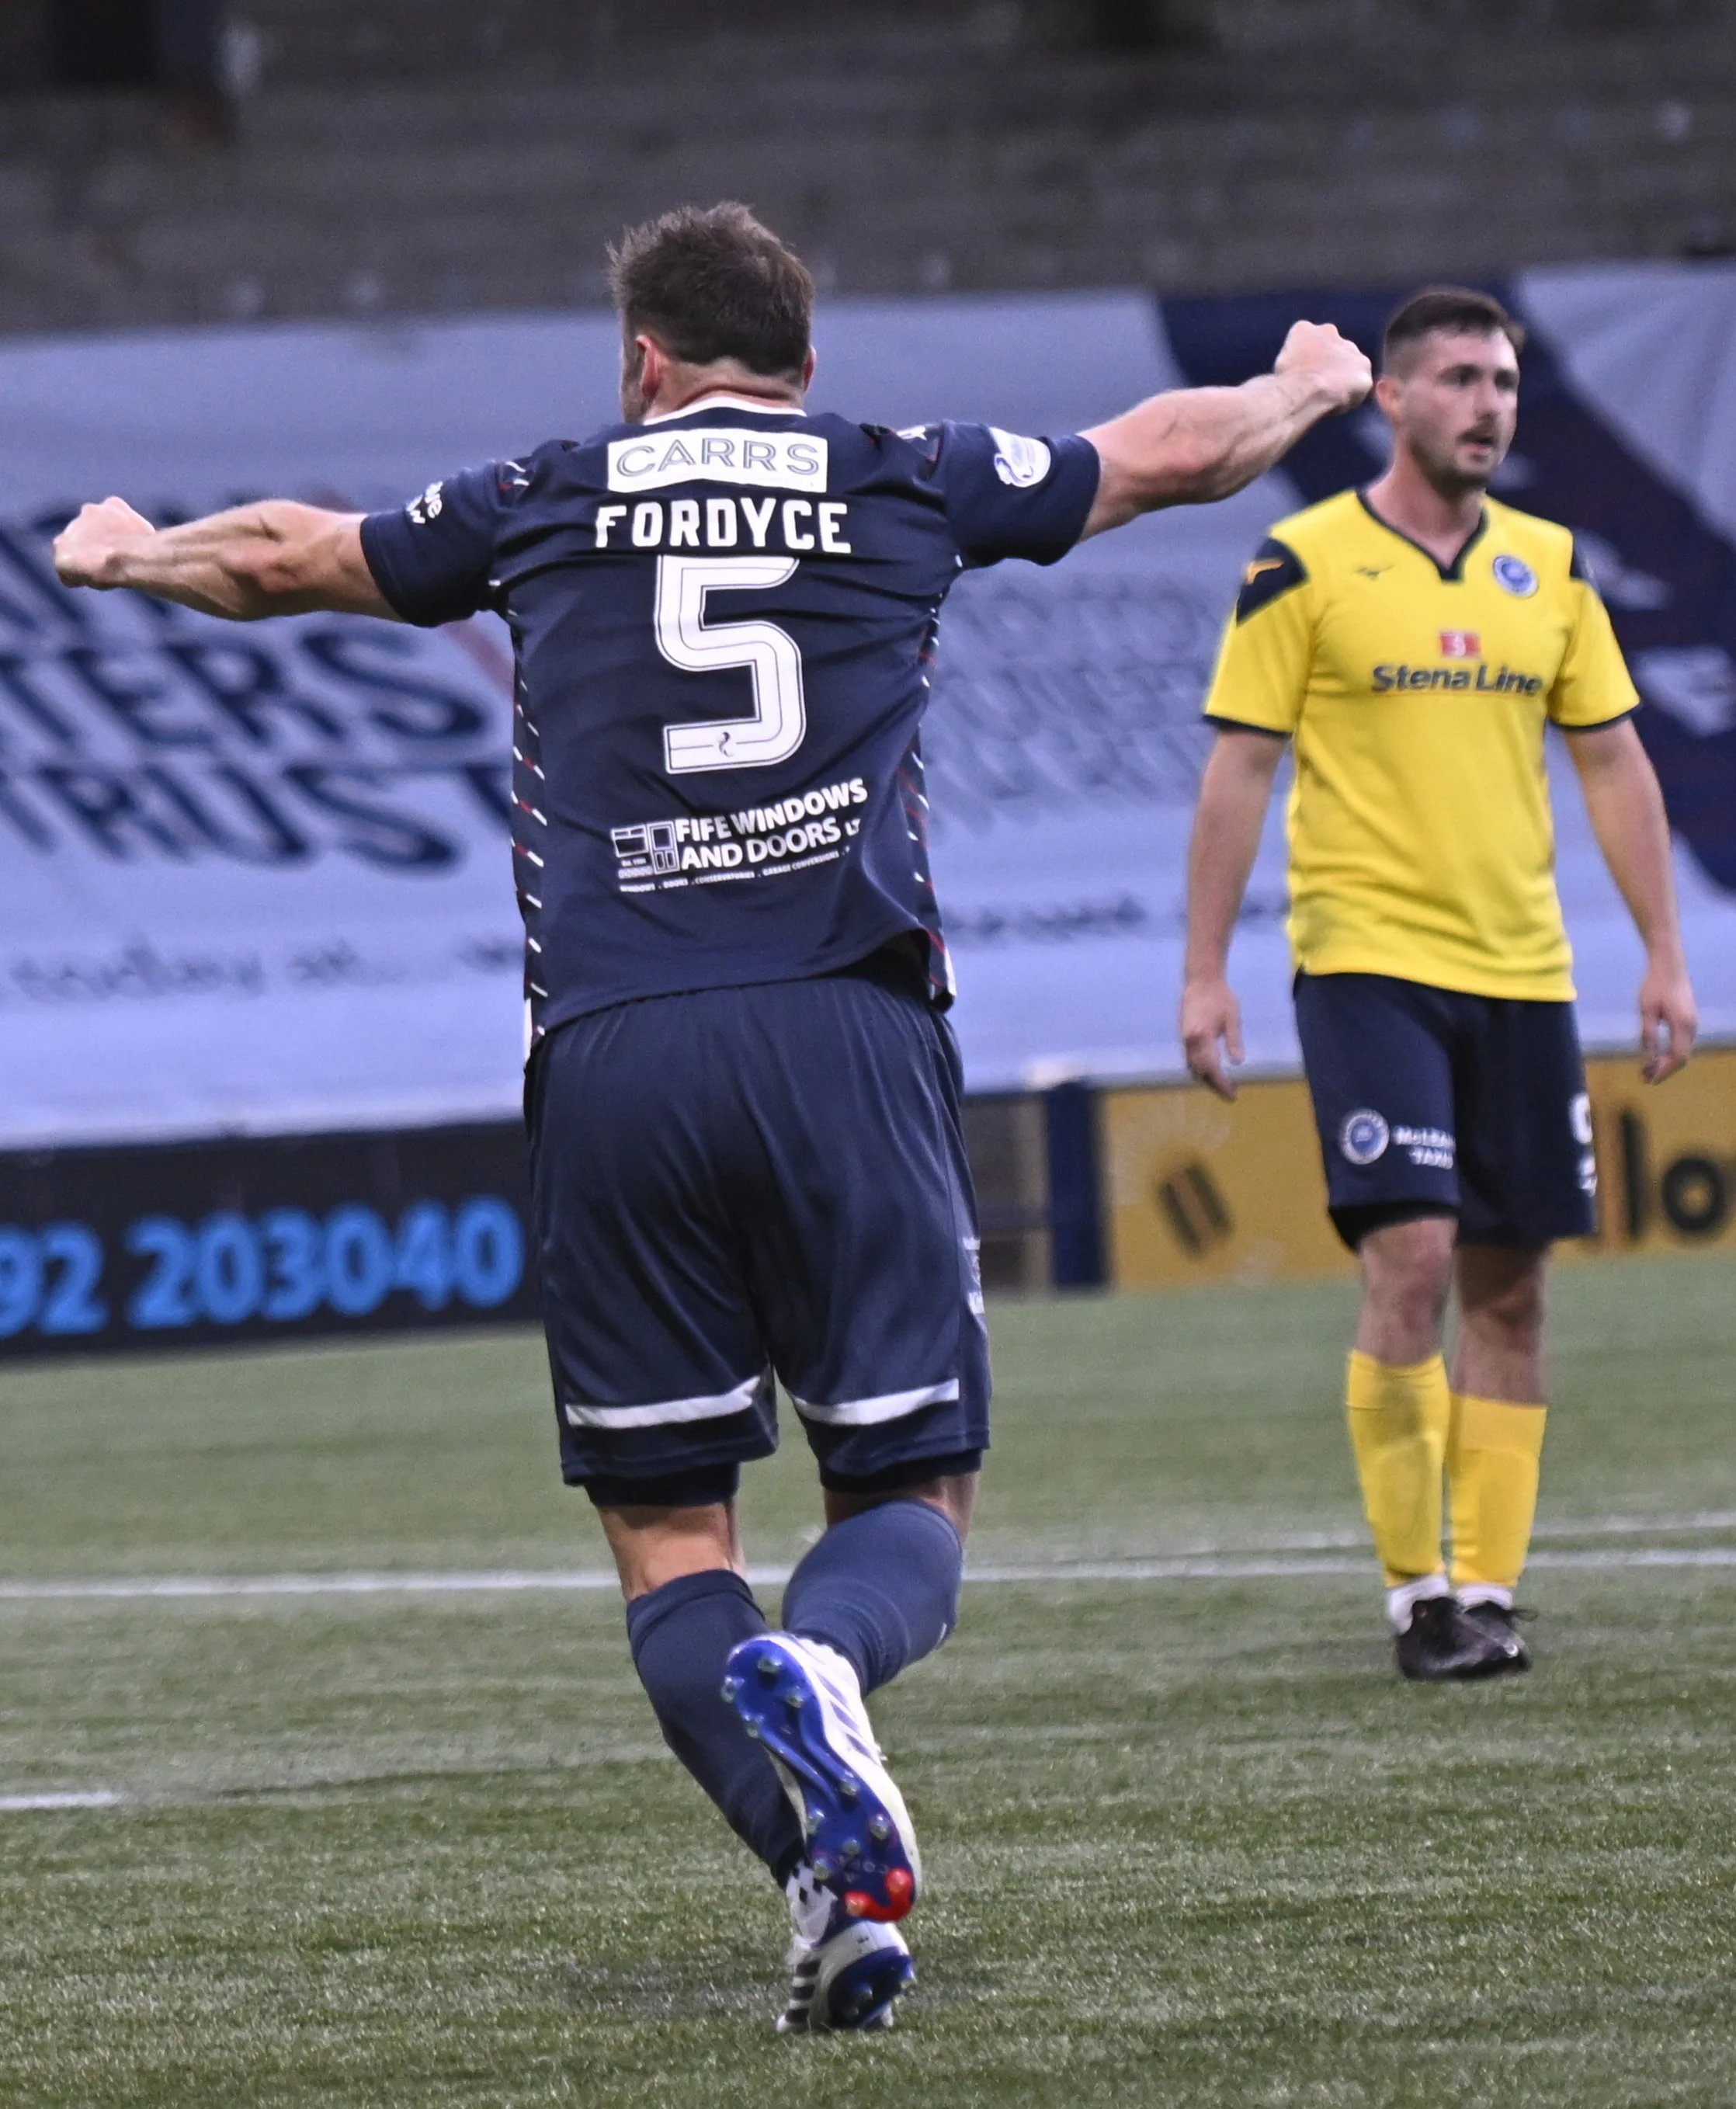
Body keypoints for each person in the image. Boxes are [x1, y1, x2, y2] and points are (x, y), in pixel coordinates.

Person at [53, 201, 1371, 2031]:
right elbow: (1161, 453)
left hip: (617, 1048)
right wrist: (1301, 385)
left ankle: (834, 1889)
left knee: (671, 1538)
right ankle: (826, 1663)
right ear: (803, 364)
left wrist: (133, 551)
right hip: (843, 1026)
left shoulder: (542, 492)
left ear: (643, 362)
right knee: (905, 1488)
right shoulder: (894, 472)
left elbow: (288, 555)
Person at [1181, 285, 1697, 1683]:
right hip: (1367, 966)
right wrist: (1205, 971)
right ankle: (1419, 1598)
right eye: (1462, 379)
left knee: (1512, 1289)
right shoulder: (1303, 561)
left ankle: (1489, 1587)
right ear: (1394, 400)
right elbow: (1239, 768)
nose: (1489, 405)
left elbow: (1613, 761)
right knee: (1411, 1259)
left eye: (1506, 383)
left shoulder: (1551, 565)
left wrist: (1663, 951)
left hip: (1521, 973)